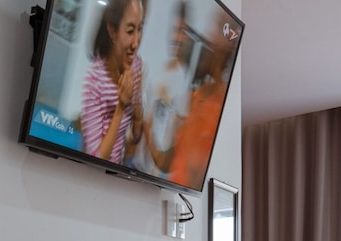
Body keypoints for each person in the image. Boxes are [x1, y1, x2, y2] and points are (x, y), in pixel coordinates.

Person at [145, 8, 239, 190]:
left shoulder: (217, 109)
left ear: (228, 45)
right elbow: (166, 162)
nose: (209, 33)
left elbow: (193, 173)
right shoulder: (195, 97)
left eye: (219, 27)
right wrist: (146, 127)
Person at [79, 0, 145, 164]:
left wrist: (138, 118)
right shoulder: (94, 81)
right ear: (113, 31)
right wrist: (120, 107)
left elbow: (136, 137)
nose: (136, 42)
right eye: (130, 31)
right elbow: (95, 158)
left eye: (140, 29)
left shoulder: (136, 66)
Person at [133, 0, 192, 177]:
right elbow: (143, 118)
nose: (176, 37)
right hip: (134, 165)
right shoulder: (158, 69)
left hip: (156, 177)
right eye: (174, 30)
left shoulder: (184, 82)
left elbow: (176, 142)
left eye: (182, 32)